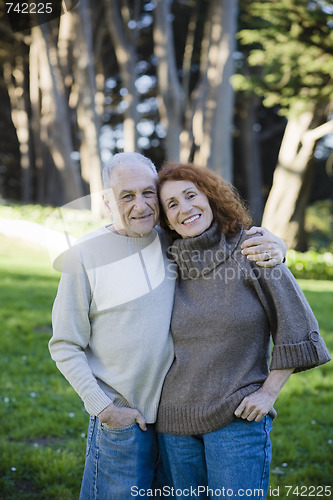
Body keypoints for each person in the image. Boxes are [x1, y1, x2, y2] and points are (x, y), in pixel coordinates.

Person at [49, 153, 287, 499]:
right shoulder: (85, 256)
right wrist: (104, 408)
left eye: (149, 193)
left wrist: (278, 246)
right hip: (123, 417)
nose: (141, 205)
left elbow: (228, 240)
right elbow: (65, 344)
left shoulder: (172, 240)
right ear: (105, 202)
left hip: (175, 418)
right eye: (126, 196)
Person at [155, 162, 331, 500]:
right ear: (166, 219)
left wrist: (268, 393)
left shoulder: (252, 249)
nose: (185, 208)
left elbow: (298, 325)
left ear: (210, 196)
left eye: (191, 195)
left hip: (236, 419)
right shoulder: (163, 262)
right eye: (172, 204)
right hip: (174, 424)